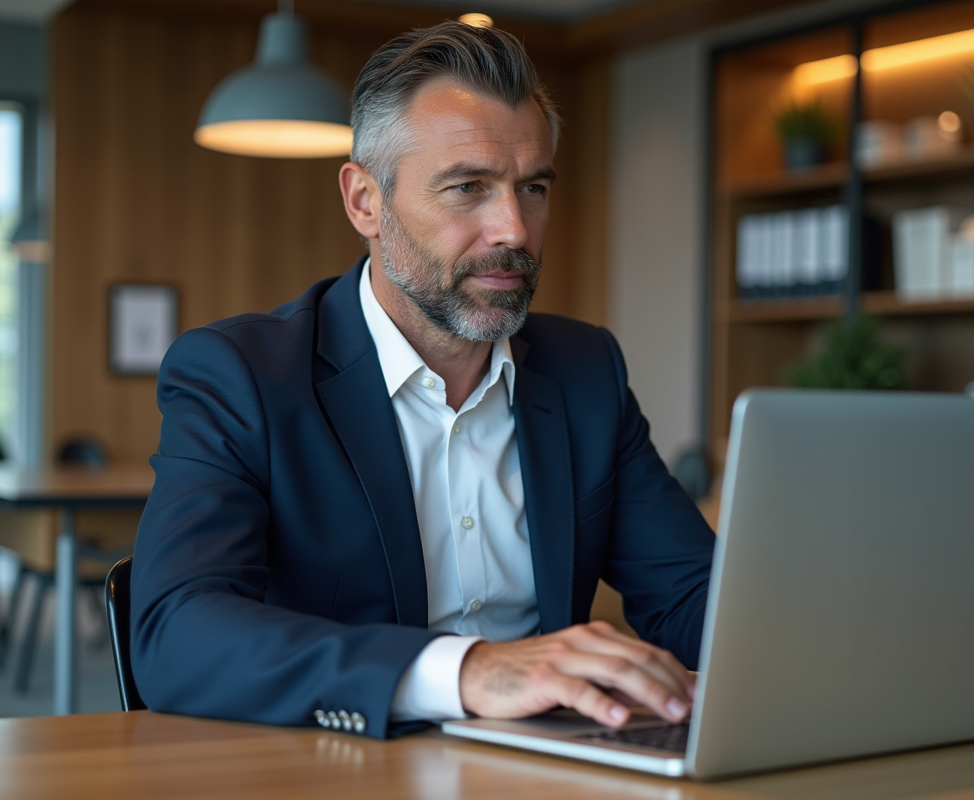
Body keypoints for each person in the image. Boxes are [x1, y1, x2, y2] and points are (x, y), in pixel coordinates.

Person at [130, 21, 715, 740]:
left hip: (551, 767)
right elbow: (174, 632)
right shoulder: (241, 375)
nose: (514, 229)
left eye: (532, 188)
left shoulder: (585, 369)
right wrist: (467, 672)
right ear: (365, 202)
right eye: (468, 188)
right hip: (337, 767)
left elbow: (690, 594)